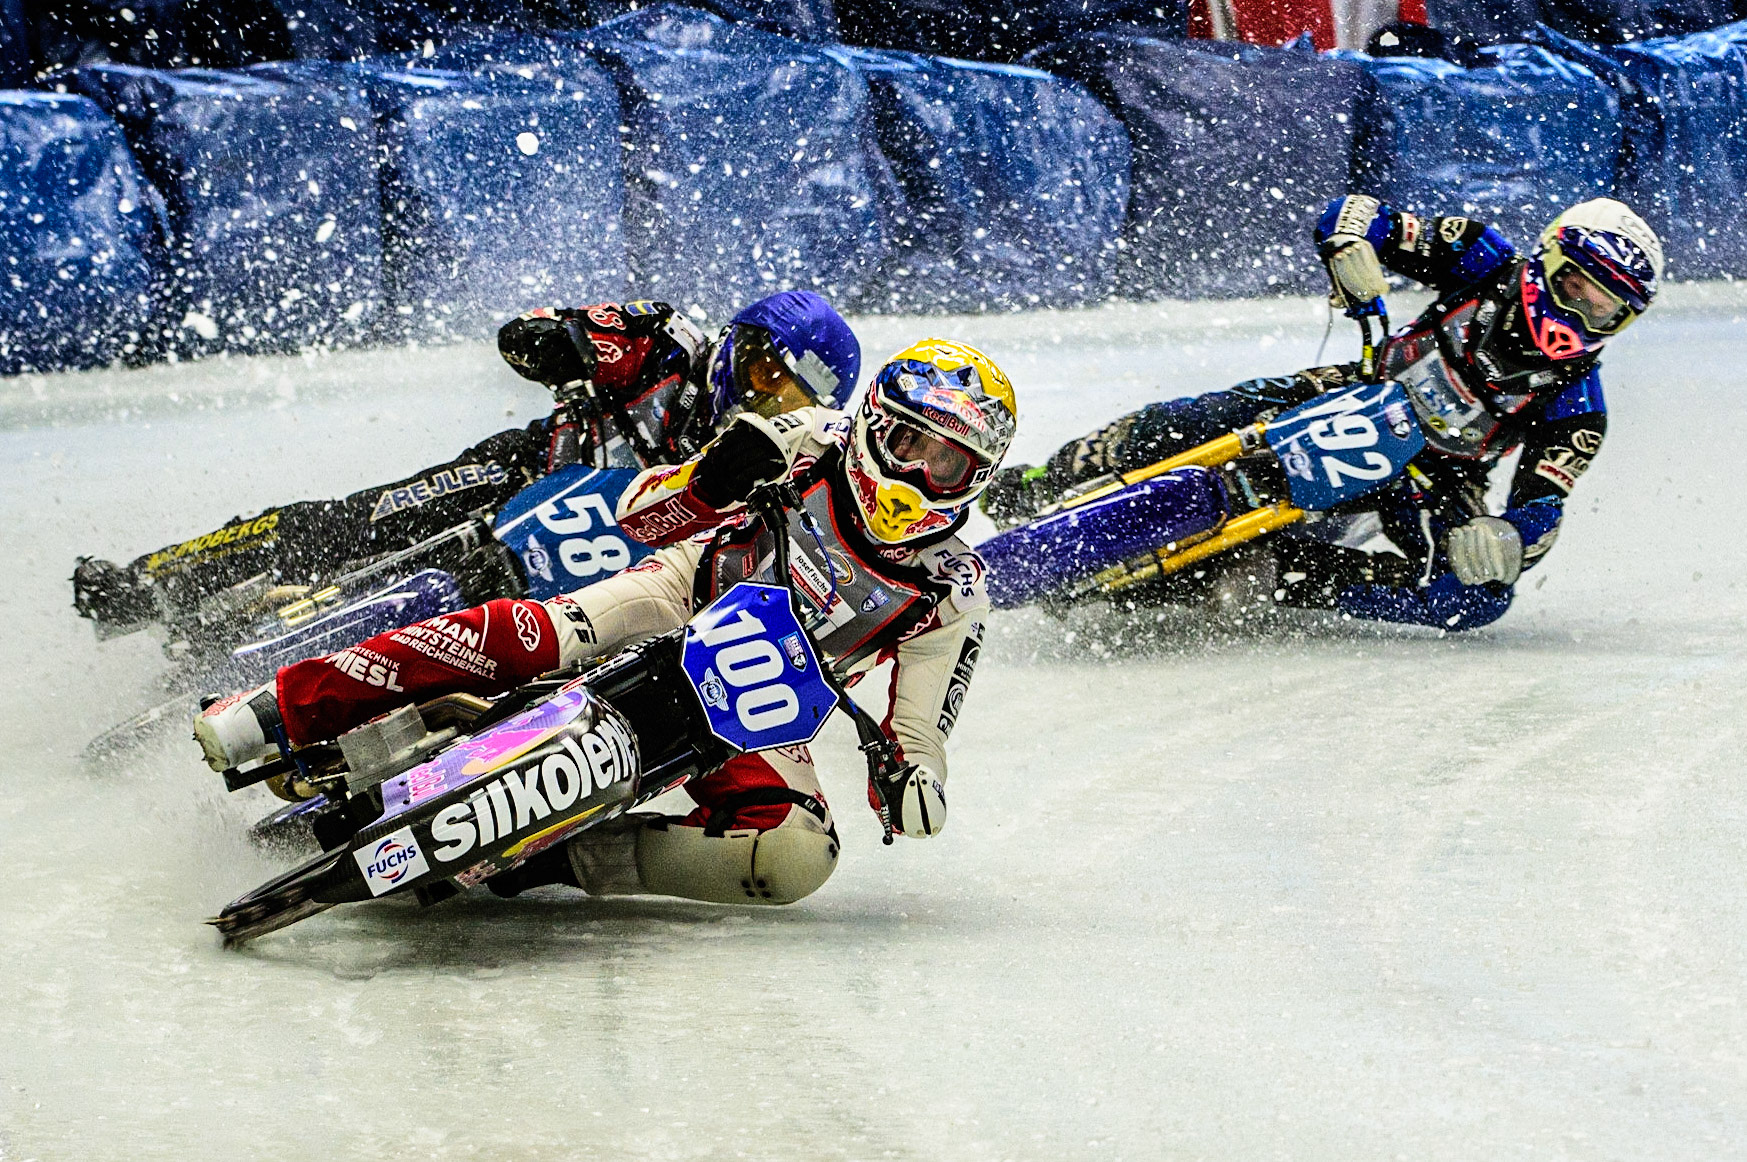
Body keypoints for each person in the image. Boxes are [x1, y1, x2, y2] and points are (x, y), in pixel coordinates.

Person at [193, 339, 1017, 906]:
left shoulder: (953, 590)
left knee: (799, 855)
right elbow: (639, 518)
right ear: (875, 422)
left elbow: (918, 733)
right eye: (910, 442)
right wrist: (709, 483)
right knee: (533, 634)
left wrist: (911, 784)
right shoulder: (806, 436)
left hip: (762, 707)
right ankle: (279, 709)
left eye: (950, 462)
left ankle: (559, 860)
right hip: (680, 594)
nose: (919, 474)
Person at [983, 196, 1662, 630]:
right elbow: (1360, 212)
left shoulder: (1578, 409)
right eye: (1575, 287)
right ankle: (1052, 473)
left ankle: (1280, 577)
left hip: (1433, 475)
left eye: (1603, 308)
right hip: (1362, 383)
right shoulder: (1479, 257)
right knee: (1201, 414)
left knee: (1475, 601)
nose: (1579, 314)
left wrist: (1510, 541)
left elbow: (1543, 506)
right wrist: (1350, 247)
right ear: (1547, 259)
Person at [72, 291, 862, 635]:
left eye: (788, 397)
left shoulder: (781, 458)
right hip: (528, 474)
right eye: (764, 372)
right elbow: (536, 332)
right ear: (745, 345)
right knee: (364, 522)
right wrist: (564, 342)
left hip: (606, 568)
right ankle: (154, 579)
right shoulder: (669, 341)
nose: (765, 399)